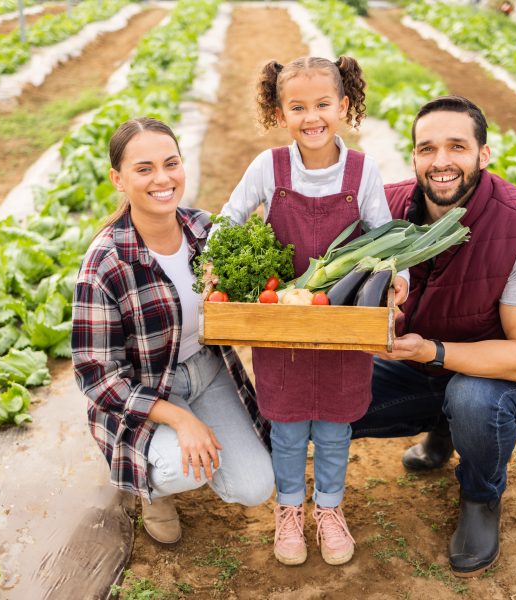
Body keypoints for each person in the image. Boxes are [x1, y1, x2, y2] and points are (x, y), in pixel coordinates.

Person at [351, 95, 516, 577]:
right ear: (414, 158)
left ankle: (480, 499)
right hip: (414, 364)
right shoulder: (388, 208)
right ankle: (441, 430)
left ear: (483, 155)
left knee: (472, 399)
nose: (441, 161)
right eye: (427, 149)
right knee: (333, 397)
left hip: (502, 379)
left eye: (456, 147)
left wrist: (433, 351)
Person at [215, 56, 409, 566]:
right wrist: (215, 263)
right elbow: (229, 217)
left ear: (343, 106)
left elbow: (385, 236)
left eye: (323, 104)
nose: (312, 117)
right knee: (286, 424)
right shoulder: (269, 167)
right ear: (280, 113)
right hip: (281, 317)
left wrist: (398, 282)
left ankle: (329, 508)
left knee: (334, 425)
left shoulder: (362, 170)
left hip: (342, 319)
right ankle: (288, 510)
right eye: (297, 107)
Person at [71, 117, 274, 545]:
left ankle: (185, 444)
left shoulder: (205, 230)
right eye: (144, 169)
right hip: (147, 390)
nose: (162, 179)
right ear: (119, 180)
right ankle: (153, 489)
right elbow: (96, 376)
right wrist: (179, 418)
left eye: (171, 163)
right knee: (181, 468)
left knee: (255, 487)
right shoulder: (106, 262)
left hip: (208, 369)